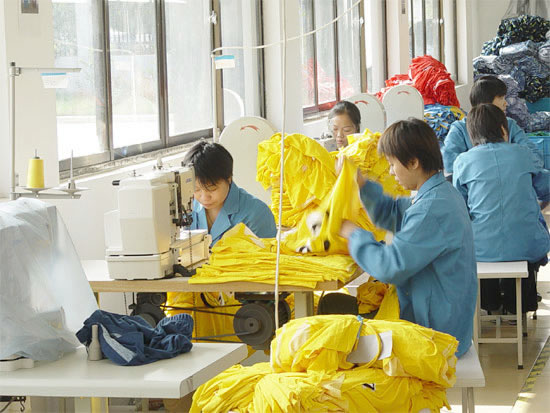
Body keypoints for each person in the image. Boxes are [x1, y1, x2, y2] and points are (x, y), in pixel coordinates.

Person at [339, 118, 477, 357]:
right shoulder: (440, 194)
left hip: (437, 335)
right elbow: (394, 212)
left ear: (413, 162)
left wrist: (354, 235)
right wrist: (361, 184)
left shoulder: (431, 209)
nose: (391, 172)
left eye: (393, 164)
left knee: (343, 337)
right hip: (447, 320)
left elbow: (389, 267)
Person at [453, 104, 550, 314]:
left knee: (480, 242)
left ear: (471, 135)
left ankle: (490, 304)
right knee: (529, 236)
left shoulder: (463, 161)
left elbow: (460, 207)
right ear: (504, 129)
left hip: (481, 249)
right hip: (526, 245)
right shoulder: (523, 154)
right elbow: (545, 187)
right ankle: (520, 304)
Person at [441, 75, 543, 177]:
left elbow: (536, 156)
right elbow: (449, 162)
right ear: (486, 103)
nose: (506, 103)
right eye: (501, 98)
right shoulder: (460, 129)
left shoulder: (509, 124)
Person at [185, 140, 276, 244]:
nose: (204, 197)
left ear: (229, 178)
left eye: (211, 188)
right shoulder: (186, 209)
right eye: (196, 189)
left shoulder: (257, 214)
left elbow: (266, 253)